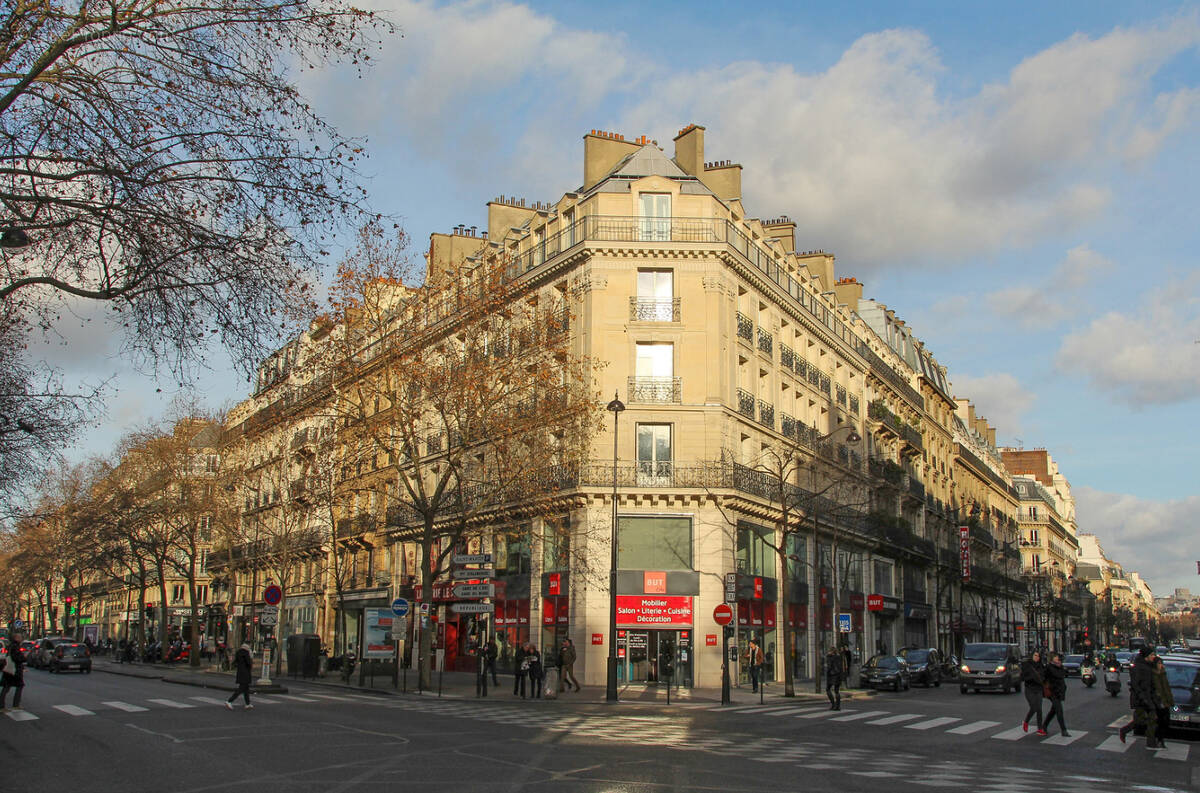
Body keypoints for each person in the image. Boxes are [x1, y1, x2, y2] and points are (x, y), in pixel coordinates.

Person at [1120, 647, 1160, 748]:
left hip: (1147, 698)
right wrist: (1144, 699)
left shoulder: (1148, 666)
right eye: (1152, 655)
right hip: (1141, 698)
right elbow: (1136, 685)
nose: (1153, 657)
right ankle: (1151, 742)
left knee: (1145, 719)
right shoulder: (1139, 668)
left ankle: (1150, 741)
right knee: (1148, 720)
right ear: (1146, 657)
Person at [1041, 652, 1068, 737]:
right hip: (1053, 691)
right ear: (1052, 658)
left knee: (1054, 710)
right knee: (1059, 710)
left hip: (1059, 690)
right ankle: (1063, 730)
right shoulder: (1049, 667)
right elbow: (1044, 677)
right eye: (1056, 657)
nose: (1057, 658)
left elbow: (1064, 674)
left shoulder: (1060, 666)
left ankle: (1044, 725)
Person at [1020, 650, 1045, 733]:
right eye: (1035, 655)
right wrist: (1032, 677)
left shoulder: (1041, 666)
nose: (1037, 657)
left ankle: (1040, 728)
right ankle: (1026, 721)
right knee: (1034, 707)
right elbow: (1023, 677)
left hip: (1039, 688)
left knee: (1039, 709)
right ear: (1032, 656)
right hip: (1030, 688)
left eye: (1038, 656)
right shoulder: (1027, 665)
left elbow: (1044, 676)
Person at [1, 632, 26, 711]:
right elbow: (16, 658)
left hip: (9, 669)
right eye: (20, 637)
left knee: (7, 687)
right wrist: (24, 658)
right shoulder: (15, 646)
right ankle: (14, 704)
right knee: (18, 686)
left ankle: (3, 705)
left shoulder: (11, 646)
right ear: (16, 638)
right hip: (14, 670)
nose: (21, 638)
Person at [1152, 655, 1173, 746]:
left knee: (1166, 721)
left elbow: (1166, 688)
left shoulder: (1163, 674)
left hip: (1164, 701)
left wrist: (1170, 700)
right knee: (1159, 721)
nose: (1161, 665)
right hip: (1157, 701)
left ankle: (1160, 738)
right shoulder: (1153, 675)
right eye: (1159, 663)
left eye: (1161, 663)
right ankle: (1159, 739)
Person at [226, 642, 254, 710]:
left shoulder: (239, 652)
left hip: (240, 672)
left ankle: (247, 703)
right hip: (245, 672)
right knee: (241, 688)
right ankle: (229, 701)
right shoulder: (246, 653)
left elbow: (235, 662)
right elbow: (248, 663)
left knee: (246, 689)